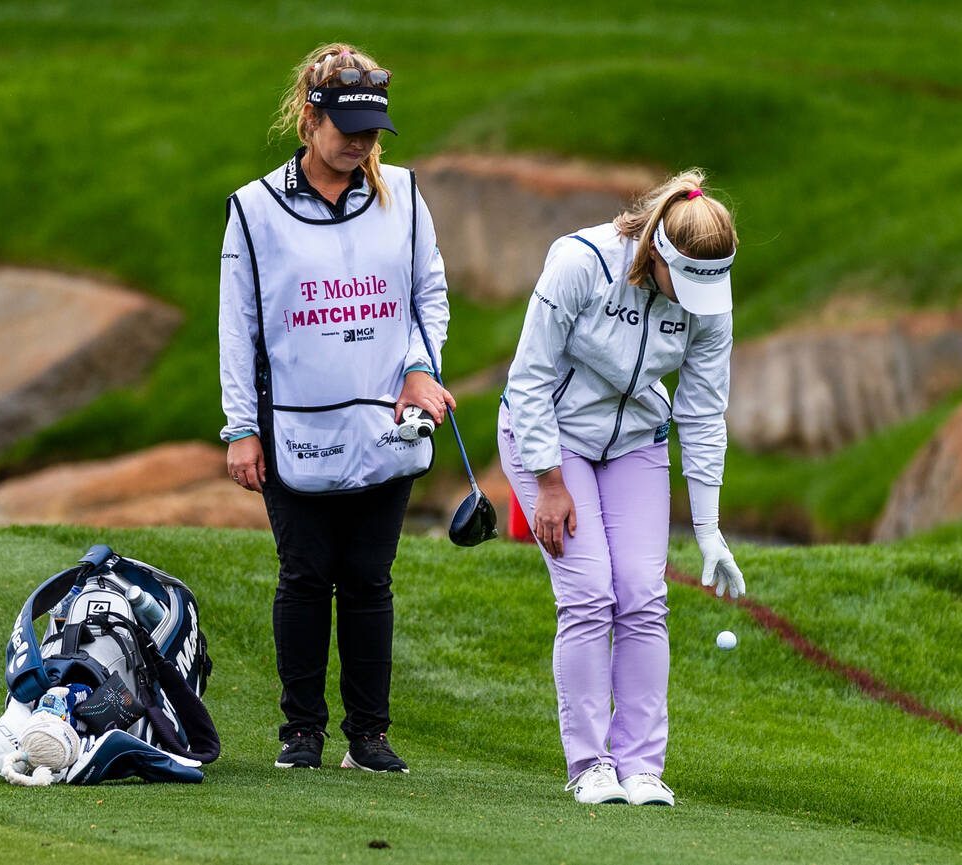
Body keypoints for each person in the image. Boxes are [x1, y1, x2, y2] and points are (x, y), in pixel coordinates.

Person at [218, 43, 454, 774]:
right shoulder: (255, 210)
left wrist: (420, 367)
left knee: (369, 577)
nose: (360, 141)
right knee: (305, 573)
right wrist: (242, 428)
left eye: (372, 129)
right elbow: (239, 324)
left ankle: (369, 735)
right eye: (346, 125)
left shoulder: (403, 197)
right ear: (308, 118)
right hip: (294, 424)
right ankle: (302, 733)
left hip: (385, 421)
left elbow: (429, 298)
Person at [499, 169, 746, 806]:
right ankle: (590, 766)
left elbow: (700, 411)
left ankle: (640, 768)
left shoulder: (707, 295)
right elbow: (527, 379)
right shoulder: (580, 262)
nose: (693, 300)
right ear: (658, 253)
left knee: (642, 595)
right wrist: (548, 481)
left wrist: (710, 527)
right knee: (588, 594)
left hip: (636, 441)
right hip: (549, 438)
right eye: (684, 283)